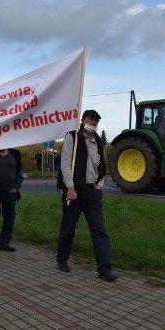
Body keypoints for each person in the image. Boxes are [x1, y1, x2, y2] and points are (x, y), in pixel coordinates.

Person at [56, 109, 117, 281]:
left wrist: (100, 185)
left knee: (99, 231)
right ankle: (62, 259)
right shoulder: (72, 138)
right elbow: (66, 163)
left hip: (93, 192)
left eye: (97, 119)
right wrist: (70, 187)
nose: (94, 122)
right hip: (75, 191)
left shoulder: (99, 142)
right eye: (91, 118)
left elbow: (102, 166)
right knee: (68, 228)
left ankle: (104, 269)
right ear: (83, 120)